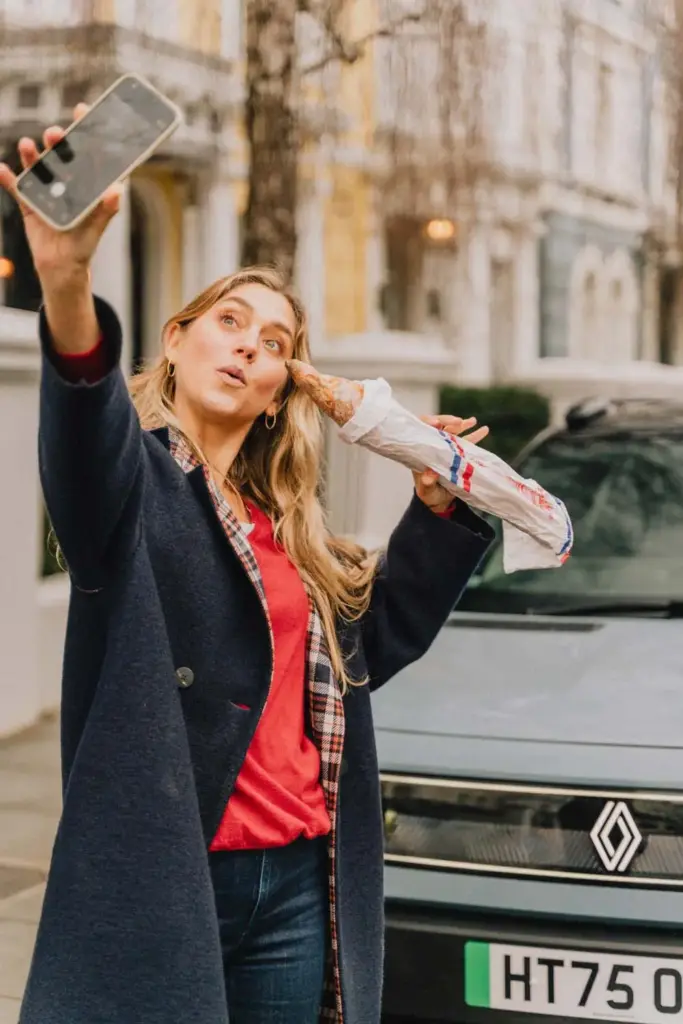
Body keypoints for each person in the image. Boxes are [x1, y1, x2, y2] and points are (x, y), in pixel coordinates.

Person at [0, 110, 494, 1024]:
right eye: (229, 321)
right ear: (177, 339)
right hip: (168, 878)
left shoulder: (287, 530)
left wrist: (437, 510)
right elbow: (84, 429)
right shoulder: (132, 485)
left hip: (298, 880)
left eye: (273, 344)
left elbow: (372, 648)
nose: (247, 347)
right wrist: (65, 285)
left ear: (276, 395)